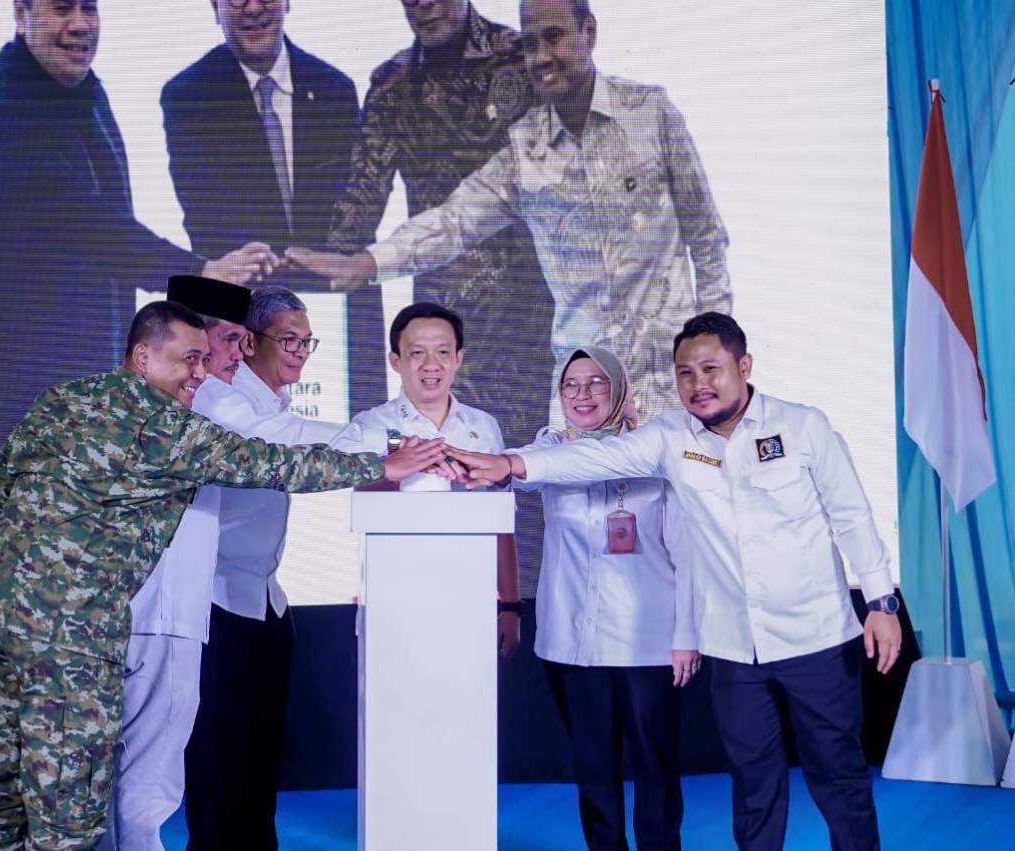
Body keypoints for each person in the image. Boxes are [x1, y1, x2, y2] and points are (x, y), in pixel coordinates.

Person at [0, 300, 447, 850]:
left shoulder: (64, 399)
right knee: (67, 799)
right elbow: (273, 464)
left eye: (202, 358)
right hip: (69, 630)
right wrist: (383, 461)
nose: (200, 372)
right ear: (143, 356)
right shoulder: (164, 424)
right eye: (188, 360)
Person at [451, 312, 902, 851]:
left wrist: (881, 601)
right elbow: (596, 455)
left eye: (711, 368)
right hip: (733, 648)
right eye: (685, 373)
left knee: (839, 776)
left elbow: (851, 516)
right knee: (754, 786)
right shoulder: (669, 437)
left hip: (817, 637)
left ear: (744, 365)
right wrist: (508, 464)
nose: (698, 383)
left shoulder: (803, 427)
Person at [290, 0, 731, 423]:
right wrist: (365, 264)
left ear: (589, 32)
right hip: (575, 389)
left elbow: (707, 237)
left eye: (554, 38)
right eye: (531, 44)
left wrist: (719, 343)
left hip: (665, 379)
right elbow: (453, 221)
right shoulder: (524, 150)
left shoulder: (650, 114)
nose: (541, 57)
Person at [0, 0, 276, 533]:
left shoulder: (79, 87)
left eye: (89, 7)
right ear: (21, 12)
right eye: (60, 8)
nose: (80, 24)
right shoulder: (10, 108)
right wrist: (203, 273)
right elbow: (88, 224)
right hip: (13, 424)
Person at [102, 278, 390, 851]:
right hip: (207, 602)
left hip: (260, 597)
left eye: (306, 342)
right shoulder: (211, 396)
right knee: (209, 756)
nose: (233, 354)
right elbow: (275, 444)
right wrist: (384, 443)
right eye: (231, 340)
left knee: (256, 751)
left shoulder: (246, 395)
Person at [324, 0, 555, 498]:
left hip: (526, 313)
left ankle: (523, 557)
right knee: (440, 478)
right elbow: (362, 202)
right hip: (442, 317)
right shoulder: (393, 83)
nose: (425, 6)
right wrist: (318, 266)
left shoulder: (523, 56)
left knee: (525, 469)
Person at [161, 0, 387, 411]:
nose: (253, 8)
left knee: (351, 435)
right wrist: (269, 266)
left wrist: (315, 262)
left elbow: (359, 204)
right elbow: (203, 212)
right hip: (243, 310)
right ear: (214, 6)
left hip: (331, 308)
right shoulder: (187, 95)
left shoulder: (335, 88)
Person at [521, 344, 699, 851]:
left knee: (656, 767)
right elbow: (511, 473)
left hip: (649, 641)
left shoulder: (656, 451)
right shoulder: (549, 451)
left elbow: (687, 551)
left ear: (620, 389)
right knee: (594, 770)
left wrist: (687, 633)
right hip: (573, 643)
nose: (583, 394)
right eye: (571, 385)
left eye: (597, 382)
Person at [352, 302, 522, 659]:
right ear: (395, 360)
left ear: (458, 358)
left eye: (443, 352)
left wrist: (510, 605)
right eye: (417, 353)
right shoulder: (371, 426)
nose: (431, 365)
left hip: (471, 597)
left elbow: (502, 523)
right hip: (394, 600)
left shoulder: (484, 427)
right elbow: (361, 498)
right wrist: (406, 466)